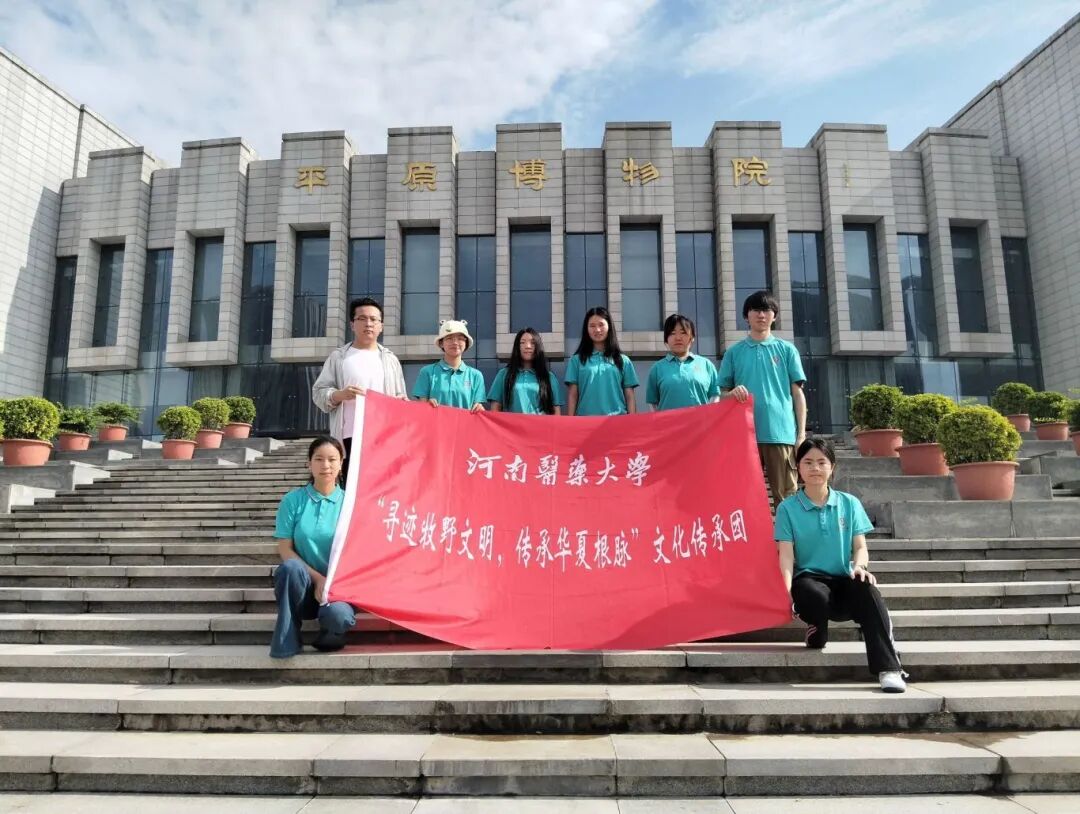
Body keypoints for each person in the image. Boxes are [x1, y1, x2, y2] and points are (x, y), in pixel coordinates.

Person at [775, 437, 906, 693]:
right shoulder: (787, 509)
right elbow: (786, 556)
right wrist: (785, 590)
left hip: (843, 579)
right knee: (812, 595)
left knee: (868, 591)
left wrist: (859, 567)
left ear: (832, 467)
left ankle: (889, 669)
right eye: (808, 462)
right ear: (798, 468)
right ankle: (817, 628)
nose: (815, 468)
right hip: (809, 581)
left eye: (821, 462)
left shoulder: (849, 503)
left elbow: (860, 547)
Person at [269, 436, 356, 659]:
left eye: (332, 459)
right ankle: (287, 641)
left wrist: (331, 584)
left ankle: (329, 636)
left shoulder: (352, 504)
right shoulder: (293, 501)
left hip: (338, 591)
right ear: (309, 463)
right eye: (319, 459)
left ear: (341, 464)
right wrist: (317, 579)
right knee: (290, 568)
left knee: (339, 617)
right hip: (304, 588)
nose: (325, 465)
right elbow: (285, 549)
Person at [719, 290, 807, 503]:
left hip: (781, 433)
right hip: (744, 435)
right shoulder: (733, 352)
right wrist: (731, 394)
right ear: (746, 316)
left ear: (774, 316)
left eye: (767, 310)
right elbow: (720, 396)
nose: (761, 315)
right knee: (745, 498)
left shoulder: (787, 350)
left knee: (786, 497)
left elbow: (798, 394)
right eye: (756, 310)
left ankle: (786, 529)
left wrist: (801, 435)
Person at [312, 297, 407, 483]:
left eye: (374, 319)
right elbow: (318, 392)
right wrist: (340, 394)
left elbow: (400, 398)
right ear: (352, 324)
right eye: (362, 319)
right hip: (350, 437)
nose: (368, 324)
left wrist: (401, 403)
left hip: (383, 437)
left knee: (383, 490)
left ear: (381, 326)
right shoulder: (339, 357)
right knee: (351, 489)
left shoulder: (390, 360)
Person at [566, 306, 639, 416]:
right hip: (585, 421)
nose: (597, 330)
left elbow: (629, 395)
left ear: (609, 326)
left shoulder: (623, 360)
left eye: (601, 325)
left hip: (617, 420)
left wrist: (632, 421)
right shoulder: (576, 360)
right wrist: (570, 422)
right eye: (592, 326)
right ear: (586, 329)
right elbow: (573, 395)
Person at [646, 314, 721, 411]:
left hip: (701, 421)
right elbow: (652, 403)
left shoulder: (706, 365)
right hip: (668, 421)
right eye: (672, 333)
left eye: (683, 333)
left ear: (692, 337)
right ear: (666, 340)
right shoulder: (657, 369)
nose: (678, 338)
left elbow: (715, 397)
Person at [413, 319, 486, 412]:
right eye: (449, 338)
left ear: (466, 343)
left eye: (460, 338)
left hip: (464, 422)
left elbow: (478, 409)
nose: (455, 342)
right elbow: (421, 408)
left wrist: (480, 408)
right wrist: (427, 405)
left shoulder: (476, 375)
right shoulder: (427, 372)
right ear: (441, 343)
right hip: (435, 422)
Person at [488, 327, 563, 415]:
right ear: (517, 347)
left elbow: (556, 411)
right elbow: (495, 409)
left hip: (540, 424)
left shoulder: (549, 377)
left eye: (532, 343)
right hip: (511, 424)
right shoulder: (503, 374)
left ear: (538, 346)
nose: (527, 346)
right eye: (522, 342)